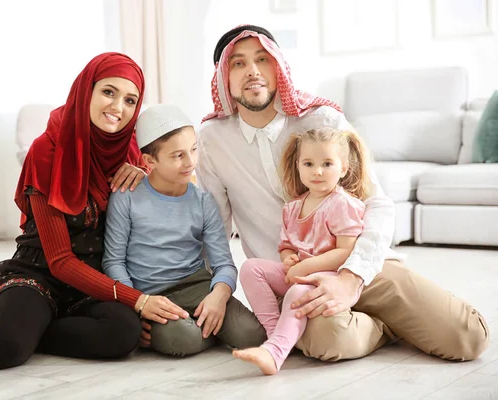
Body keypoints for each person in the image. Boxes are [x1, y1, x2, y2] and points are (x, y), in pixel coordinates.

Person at [197, 25, 489, 362]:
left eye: (262, 59)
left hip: (361, 265)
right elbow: (215, 227)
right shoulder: (212, 140)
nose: (253, 71)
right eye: (238, 63)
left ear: (278, 66)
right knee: (328, 340)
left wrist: (352, 279)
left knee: (467, 338)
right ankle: (384, 327)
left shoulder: (322, 118)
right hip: (293, 281)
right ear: (223, 76)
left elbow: (376, 202)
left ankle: (376, 311)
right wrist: (218, 289)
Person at [0, 53, 188, 370]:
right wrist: (139, 300)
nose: (118, 108)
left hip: (95, 281)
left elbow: (179, 207)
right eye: (108, 92)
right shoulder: (48, 150)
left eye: (130, 100)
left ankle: (30, 331)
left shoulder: (135, 152)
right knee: (4, 350)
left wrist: (150, 180)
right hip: (40, 273)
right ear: (86, 90)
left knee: (124, 335)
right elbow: (60, 261)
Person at [102, 104, 266, 356]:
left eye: (193, 149)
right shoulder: (126, 197)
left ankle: (197, 327)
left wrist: (219, 296)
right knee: (184, 339)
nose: (190, 162)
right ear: (149, 160)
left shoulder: (203, 202)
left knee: (252, 334)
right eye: (178, 156)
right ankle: (201, 331)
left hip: (197, 286)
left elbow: (224, 264)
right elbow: (113, 261)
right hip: (151, 293)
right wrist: (134, 304)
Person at [234, 128, 370, 374]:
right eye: (309, 164)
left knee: (297, 291)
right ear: (298, 166)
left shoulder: (342, 204)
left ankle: (275, 353)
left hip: (329, 276)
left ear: (343, 168)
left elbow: (345, 251)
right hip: (299, 271)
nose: (317, 171)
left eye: (327, 164)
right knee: (250, 267)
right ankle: (275, 335)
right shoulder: (293, 208)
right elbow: (286, 246)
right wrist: (289, 259)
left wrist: (305, 267)